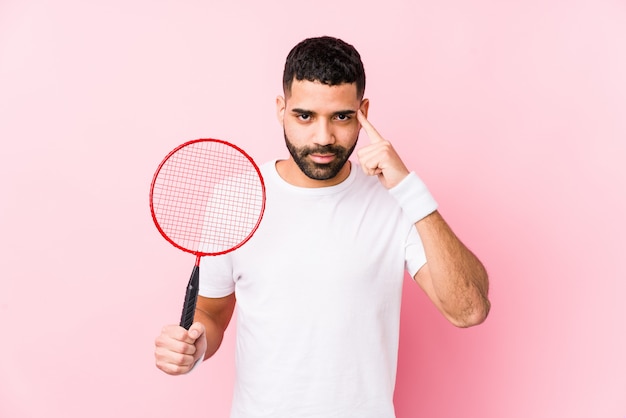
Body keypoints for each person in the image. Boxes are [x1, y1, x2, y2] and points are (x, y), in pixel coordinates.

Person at [155, 36, 490, 417]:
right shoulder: (237, 198)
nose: (323, 138)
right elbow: (212, 314)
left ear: (363, 112)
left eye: (342, 117)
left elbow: (469, 311)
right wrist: (194, 347)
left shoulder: (395, 201)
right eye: (305, 116)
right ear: (281, 109)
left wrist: (409, 189)